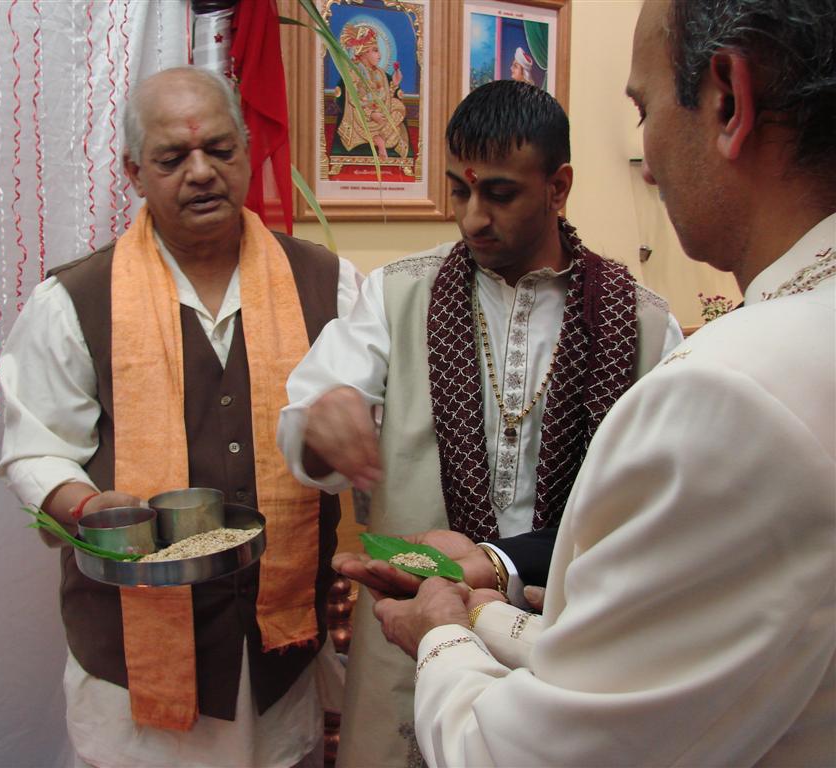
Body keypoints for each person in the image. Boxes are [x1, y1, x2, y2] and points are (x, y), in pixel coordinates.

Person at [353, 0, 836, 764]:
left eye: (643, 109)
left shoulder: (728, 389)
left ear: (727, 101)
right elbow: (673, 659)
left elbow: (536, 752)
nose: (648, 161)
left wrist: (442, 631)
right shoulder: (400, 291)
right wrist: (490, 597)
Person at [277, 80, 683, 767]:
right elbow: (307, 423)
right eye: (457, 192)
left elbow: (662, 504)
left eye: (499, 194)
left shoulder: (642, 324)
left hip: (571, 651)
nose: (471, 218)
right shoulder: (397, 294)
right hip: (412, 640)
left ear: (558, 188)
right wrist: (323, 420)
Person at [0, 66, 361, 768]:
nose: (201, 173)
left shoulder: (328, 284)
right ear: (135, 172)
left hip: (278, 648)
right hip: (134, 664)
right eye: (172, 159)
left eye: (220, 150)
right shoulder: (74, 300)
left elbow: (369, 418)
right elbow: (36, 450)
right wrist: (87, 507)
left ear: (248, 149)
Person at [334, 22, 411, 161]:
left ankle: (381, 138)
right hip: (363, 117)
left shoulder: (380, 73)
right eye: (375, 51)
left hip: (380, 113)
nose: (380, 55)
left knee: (399, 107)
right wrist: (371, 114)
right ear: (363, 52)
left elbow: (385, 97)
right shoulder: (354, 73)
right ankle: (381, 138)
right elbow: (353, 99)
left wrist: (394, 84)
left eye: (379, 51)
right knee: (394, 132)